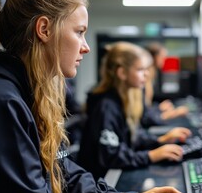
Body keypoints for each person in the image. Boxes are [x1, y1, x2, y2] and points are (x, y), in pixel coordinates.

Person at [0, 0, 187, 193]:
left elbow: (59, 169)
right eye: (79, 32)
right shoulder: (1, 102)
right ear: (44, 29)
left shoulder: (31, 93)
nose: (86, 46)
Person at [78, 41, 192, 180]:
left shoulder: (122, 98)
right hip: (101, 182)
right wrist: (151, 155)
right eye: (140, 70)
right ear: (122, 73)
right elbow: (110, 155)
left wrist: (159, 140)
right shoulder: (106, 106)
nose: (147, 74)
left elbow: (130, 135)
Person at [144, 42, 189, 125]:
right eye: (163, 57)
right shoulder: (146, 77)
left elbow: (146, 108)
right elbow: (146, 118)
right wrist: (174, 113)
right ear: (155, 57)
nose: (164, 60)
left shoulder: (152, 74)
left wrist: (159, 108)